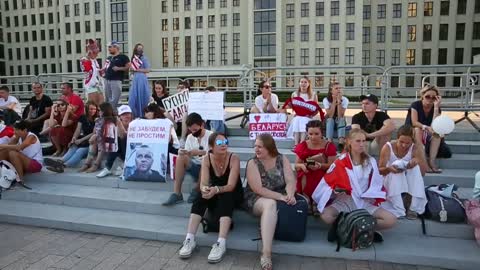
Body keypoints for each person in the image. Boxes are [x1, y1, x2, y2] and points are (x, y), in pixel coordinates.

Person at [312, 129, 397, 239]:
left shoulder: (370, 161)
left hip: (364, 201)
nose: (362, 144)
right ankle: (363, 228)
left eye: (363, 141)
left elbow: (376, 184)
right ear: (349, 142)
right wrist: (336, 190)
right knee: (326, 215)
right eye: (358, 141)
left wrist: (370, 194)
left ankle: (349, 228)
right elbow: (328, 183)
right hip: (346, 201)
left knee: (391, 219)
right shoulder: (340, 162)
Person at [178, 132, 243, 263]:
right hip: (214, 191)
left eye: (225, 142)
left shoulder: (234, 157)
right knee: (200, 196)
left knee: (226, 196)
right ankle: (190, 239)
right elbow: (203, 182)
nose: (224, 145)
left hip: (232, 193)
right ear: (211, 146)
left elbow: (230, 185)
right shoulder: (207, 158)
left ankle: (221, 243)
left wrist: (216, 190)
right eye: (219, 143)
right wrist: (204, 189)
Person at [243, 133, 297, 270]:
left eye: (260, 147)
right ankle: (266, 253)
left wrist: (290, 194)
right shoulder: (253, 163)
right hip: (255, 198)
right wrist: (281, 197)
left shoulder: (281, 158)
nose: (256, 149)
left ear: (269, 147)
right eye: (255, 146)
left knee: (275, 203)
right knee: (270, 204)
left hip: (280, 195)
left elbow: (291, 180)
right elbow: (258, 189)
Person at [378, 125, 428, 220]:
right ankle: (397, 207)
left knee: (415, 169)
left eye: (407, 143)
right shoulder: (388, 147)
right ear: (397, 138)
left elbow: (423, 173)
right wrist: (389, 168)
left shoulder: (415, 148)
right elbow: (380, 170)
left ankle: (413, 207)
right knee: (396, 166)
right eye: (401, 142)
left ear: (412, 141)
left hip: (407, 179)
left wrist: (415, 161)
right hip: (389, 178)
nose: (404, 145)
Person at [163, 113, 213, 206]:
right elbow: (188, 154)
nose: (193, 132)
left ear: (202, 125)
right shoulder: (190, 137)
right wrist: (185, 153)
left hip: (209, 169)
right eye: (190, 130)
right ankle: (177, 193)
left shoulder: (212, 136)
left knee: (206, 159)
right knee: (180, 157)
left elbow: (216, 155)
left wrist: (200, 152)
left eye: (195, 129)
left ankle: (197, 189)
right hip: (195, 167)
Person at [44, 102, 98, 173]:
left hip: (92, 141)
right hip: (83, 139)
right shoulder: (82, 117)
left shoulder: (97, 119)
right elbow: (78, 130)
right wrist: (74, 138)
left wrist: (81, 140)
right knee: (73, 147)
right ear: (87, 109)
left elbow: (94, 133)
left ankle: (63, 166)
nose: (92, 111)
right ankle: (60, 162)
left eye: (94, 109)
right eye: (90, 109)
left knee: (79, 151)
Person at [293, 120, 337, 208]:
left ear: (322, 133)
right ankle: (307, 199)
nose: (313, 137)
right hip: (307, 171)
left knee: (318, 173)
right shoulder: (303, 145)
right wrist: (303, 165)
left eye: (316, 134)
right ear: (307, 133)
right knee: (304, 173)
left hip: (323, 172)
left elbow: (332, 166)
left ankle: (317, 200)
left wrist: (320, 166)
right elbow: (296, 165)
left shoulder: (329, 146)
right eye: (310, 134)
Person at [405, 84, 446, 173]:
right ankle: (424, 163)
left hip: (427, 132)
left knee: (437, 134)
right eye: (427, 96)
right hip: (412, 130)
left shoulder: (437, 108)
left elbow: (435, 125)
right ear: (422, 96)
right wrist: (426, 127)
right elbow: (414, 122)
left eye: (433, 97)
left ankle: (431, 162)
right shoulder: (415, 105)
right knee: (418, 130)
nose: (430, 99)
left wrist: (436, 107)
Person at [283, 76, 323, 146]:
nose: (303, 84)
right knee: (297, 119)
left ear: (308, 84)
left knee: (303, 120)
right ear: (299, 83)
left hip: (308, 117)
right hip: (298, 116)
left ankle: (301, 143)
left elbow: (316, 109)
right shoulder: (294, 94)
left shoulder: (313, 95)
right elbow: (292, 106)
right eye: (301, 82)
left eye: (305, 82)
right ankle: (296, 144)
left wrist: (311, 115)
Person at [0, 120, 43, 184]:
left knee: (12, 153)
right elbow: (8, 147)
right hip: (24, 162)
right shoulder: (18, 137)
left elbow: (19, 147)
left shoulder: (31, 136)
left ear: (25, 130)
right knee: (4, 151)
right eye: (14, 130)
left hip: (36, 165)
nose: (14, 132)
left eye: (16, 130)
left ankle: (21, 180)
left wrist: (2, 146)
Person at [79, 102, 118, 173]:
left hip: (111, 143)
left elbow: (109, 134)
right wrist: (95, 135)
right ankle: (87, 163)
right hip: (99, 143)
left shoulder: (113, 120)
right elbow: (95, 132)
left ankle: (96, 164)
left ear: (104, 111)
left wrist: (96, 136)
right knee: (95, 141)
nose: (98, 111)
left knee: (100, 140)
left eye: (99, 110)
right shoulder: (99, 120)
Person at [96, 105, 132, 178]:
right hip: (121, 152)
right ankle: (108, 168)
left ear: (131, 114)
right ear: (120, 116)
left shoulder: (135, 124)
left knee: (121, 139)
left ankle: (111, 167)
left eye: (128, 113)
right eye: (123, 114)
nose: (126, 116)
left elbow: (125, 135)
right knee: (116, 141)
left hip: (132, 152)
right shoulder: (116, 124)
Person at [103, 41, 131, 110]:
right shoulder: (109, 58)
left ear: (116, 47)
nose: (109, 49)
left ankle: (112, 111)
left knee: (115, 98)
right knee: (107, 98)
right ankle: (108, 112)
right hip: (107, 79)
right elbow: (105, 67)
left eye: (110, 47)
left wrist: (119, 68)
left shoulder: (123, 57)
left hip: (116, 80)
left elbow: (128, 67)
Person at [323, 81, 349, 151]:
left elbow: (340, 115)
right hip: (329, 121)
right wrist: (334, 102)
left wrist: (339, 102)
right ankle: (329, 141)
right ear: (331, 91)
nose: (339, 90)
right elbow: (330, 115)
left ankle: (341, 142)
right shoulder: (326, 100)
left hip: (339, 120)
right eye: (336, 88)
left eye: (340, 88)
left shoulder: (345, 100)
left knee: (341, 119)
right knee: (330, 120)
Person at [128, 43, 151, 118]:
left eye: (141, 48)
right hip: (135, 79)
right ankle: (135, 114)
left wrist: (137, 69)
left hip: (141, 78)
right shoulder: (133, 58)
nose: (140, 50)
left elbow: (147, 70)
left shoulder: (144, 58)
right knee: (133, 97)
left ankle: (142, 114)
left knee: (142, 95)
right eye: (138, 48)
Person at [80, 39, 104, 106]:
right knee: (92, 104)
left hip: (98, 85)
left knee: (101, 103)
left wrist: (102, 71)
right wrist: (89, 54)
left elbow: (98, 73)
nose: (97, 52)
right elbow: (86, 69)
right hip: (91, 85)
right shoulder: (84, 59)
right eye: (96, 49)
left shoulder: (95, 61)